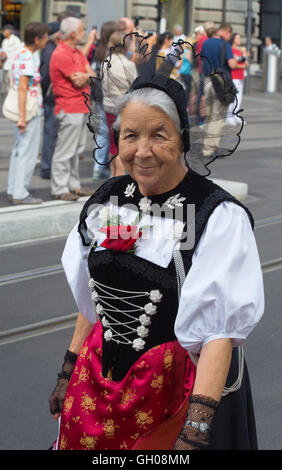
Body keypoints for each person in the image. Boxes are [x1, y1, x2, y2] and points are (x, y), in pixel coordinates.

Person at [48, 38, 264, 450]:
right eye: (130, 136)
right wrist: (68, 367)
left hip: (180, 392)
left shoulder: (215, 215)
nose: (142, 151)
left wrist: (196, 429)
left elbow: (218, 331)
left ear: (182, 139)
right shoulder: (107, 201)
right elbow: (92, 298)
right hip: (101, 385)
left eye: (158, 135)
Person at [49, 17, 96, 201]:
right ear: (73, 33)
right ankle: (60, 188)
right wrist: (88, 75)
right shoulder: (61, 53)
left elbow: (89, 75)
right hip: (69, 106)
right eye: (82, 29)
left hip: (78, 106)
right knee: (65, 150)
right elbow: (79, 79)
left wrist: (86, 75)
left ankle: (72, 185)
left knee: (75, 150)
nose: (84, 33)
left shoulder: (75, 52)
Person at [6, 22, 48, 205]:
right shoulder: (28, 57)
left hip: (26, 108)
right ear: (37, 39)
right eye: (45, 37)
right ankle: (20, 192)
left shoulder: (22, 53)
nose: (47, 40)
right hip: (29, 110)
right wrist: (23, 116)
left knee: (19, 151)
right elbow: (23, 88)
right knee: (27, 153)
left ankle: (13, 189)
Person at [102, 31, 137, 177]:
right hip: (124, 109)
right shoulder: (128, 64)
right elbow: (135, 86)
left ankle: (113, 176)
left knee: (113, 146)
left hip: (109, 107)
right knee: (122, 146)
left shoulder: (105, 62)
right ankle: (119, 179)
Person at [201, 23, 238, 157]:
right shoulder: (225, 45)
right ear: (227, 31)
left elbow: (202, 61)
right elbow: (231, 64)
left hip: (207, 80)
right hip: (220, 82)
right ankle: (210, 148)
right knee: (218, 116)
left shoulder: (206, 42)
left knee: (210, 115)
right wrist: (240, 61)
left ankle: (208, 144)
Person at [91, 21, 120, 180]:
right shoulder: (113, 52)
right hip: (110, 95)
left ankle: (98, 166)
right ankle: (104, 165)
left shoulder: (97, 49)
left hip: (98, 94)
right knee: (110, 131)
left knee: (102, 131)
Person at [39, 21, 61, 179]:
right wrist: (45, 93)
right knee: (50, 134)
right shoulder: (51, 50)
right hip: (50, 98)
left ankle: (48, 166)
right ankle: (47, 168)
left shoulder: (50, 49)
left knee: (51, 133)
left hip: (49, 97)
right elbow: (45, 76)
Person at [226, 33, 248, 126]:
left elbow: (246, 63)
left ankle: (236, 115)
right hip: (233, 76)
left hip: (240, 75)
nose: (239, 40)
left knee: (239, 97)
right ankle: (229, 116)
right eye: (237, 38)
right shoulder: (231, 50)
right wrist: (241, 64)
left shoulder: (239, 51)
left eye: (240, 38)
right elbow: (234, 64)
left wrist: (244, 54)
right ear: (233, 39)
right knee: (233, 96)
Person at [1, 24, 21, 92]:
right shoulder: (4, 41)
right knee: (5, 82)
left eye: (4, 31)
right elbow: (4, 53)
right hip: (6, 65)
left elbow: (19, 53)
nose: (3, 32)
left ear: (9, 31)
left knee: (12, 83)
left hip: (14, 65)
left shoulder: (16, 40)